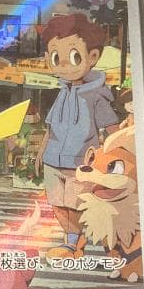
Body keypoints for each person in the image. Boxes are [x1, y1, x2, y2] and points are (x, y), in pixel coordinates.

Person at [34, 14, 118, 259]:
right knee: (57, 203)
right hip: (53, 160)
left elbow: (111, 128)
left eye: (73, 57)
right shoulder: (62, 91)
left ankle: (74, 244)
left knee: (75, 204)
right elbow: (51, 127)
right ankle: (71, 242)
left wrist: (112, 160)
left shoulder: (96, 95)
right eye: (55, 57)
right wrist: (40, 153)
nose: (64, 65)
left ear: (93, 56)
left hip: (81, 162)